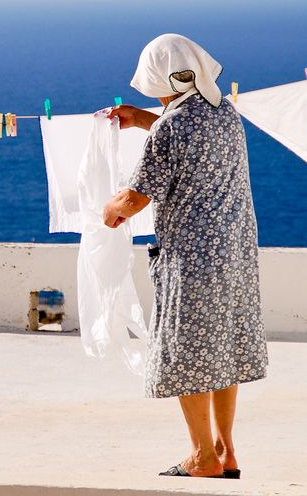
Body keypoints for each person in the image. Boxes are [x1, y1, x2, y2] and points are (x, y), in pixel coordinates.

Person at [103, 33, 268, 479]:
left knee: (189, 353)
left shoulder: (170, 128)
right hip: (233, 251)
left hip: (192, 257)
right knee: (223, 346)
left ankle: (202, 458)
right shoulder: (224, 112)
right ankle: (225, 449)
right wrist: (144, 120)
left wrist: (109, 210)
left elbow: (136, 199)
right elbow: (187, 132)